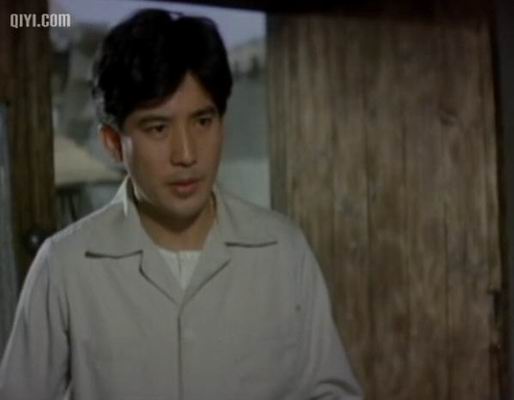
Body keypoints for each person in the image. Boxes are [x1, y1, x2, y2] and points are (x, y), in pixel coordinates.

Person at [0, 9, 363, 400]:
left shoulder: (283, 250)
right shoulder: (66, 266)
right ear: (113, 143)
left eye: (203, 121)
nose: (187, 154)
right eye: (158, 128)